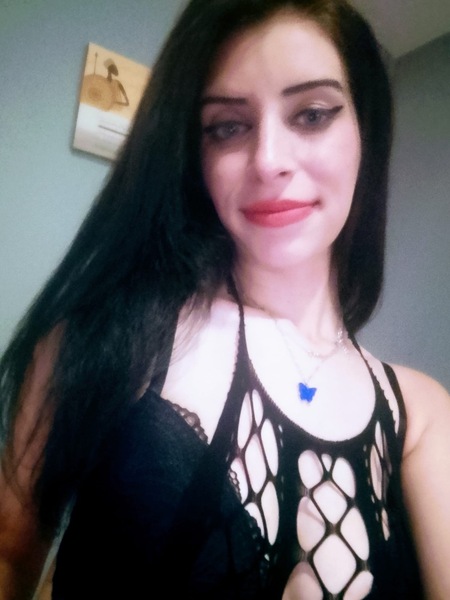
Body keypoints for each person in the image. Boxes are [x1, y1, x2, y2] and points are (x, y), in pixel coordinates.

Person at [1, 0, 449, 598]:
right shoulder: (102, 337)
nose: (268, 161)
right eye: (228, 127)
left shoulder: (422, 416)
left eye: (312, 114)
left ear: (365, 132)